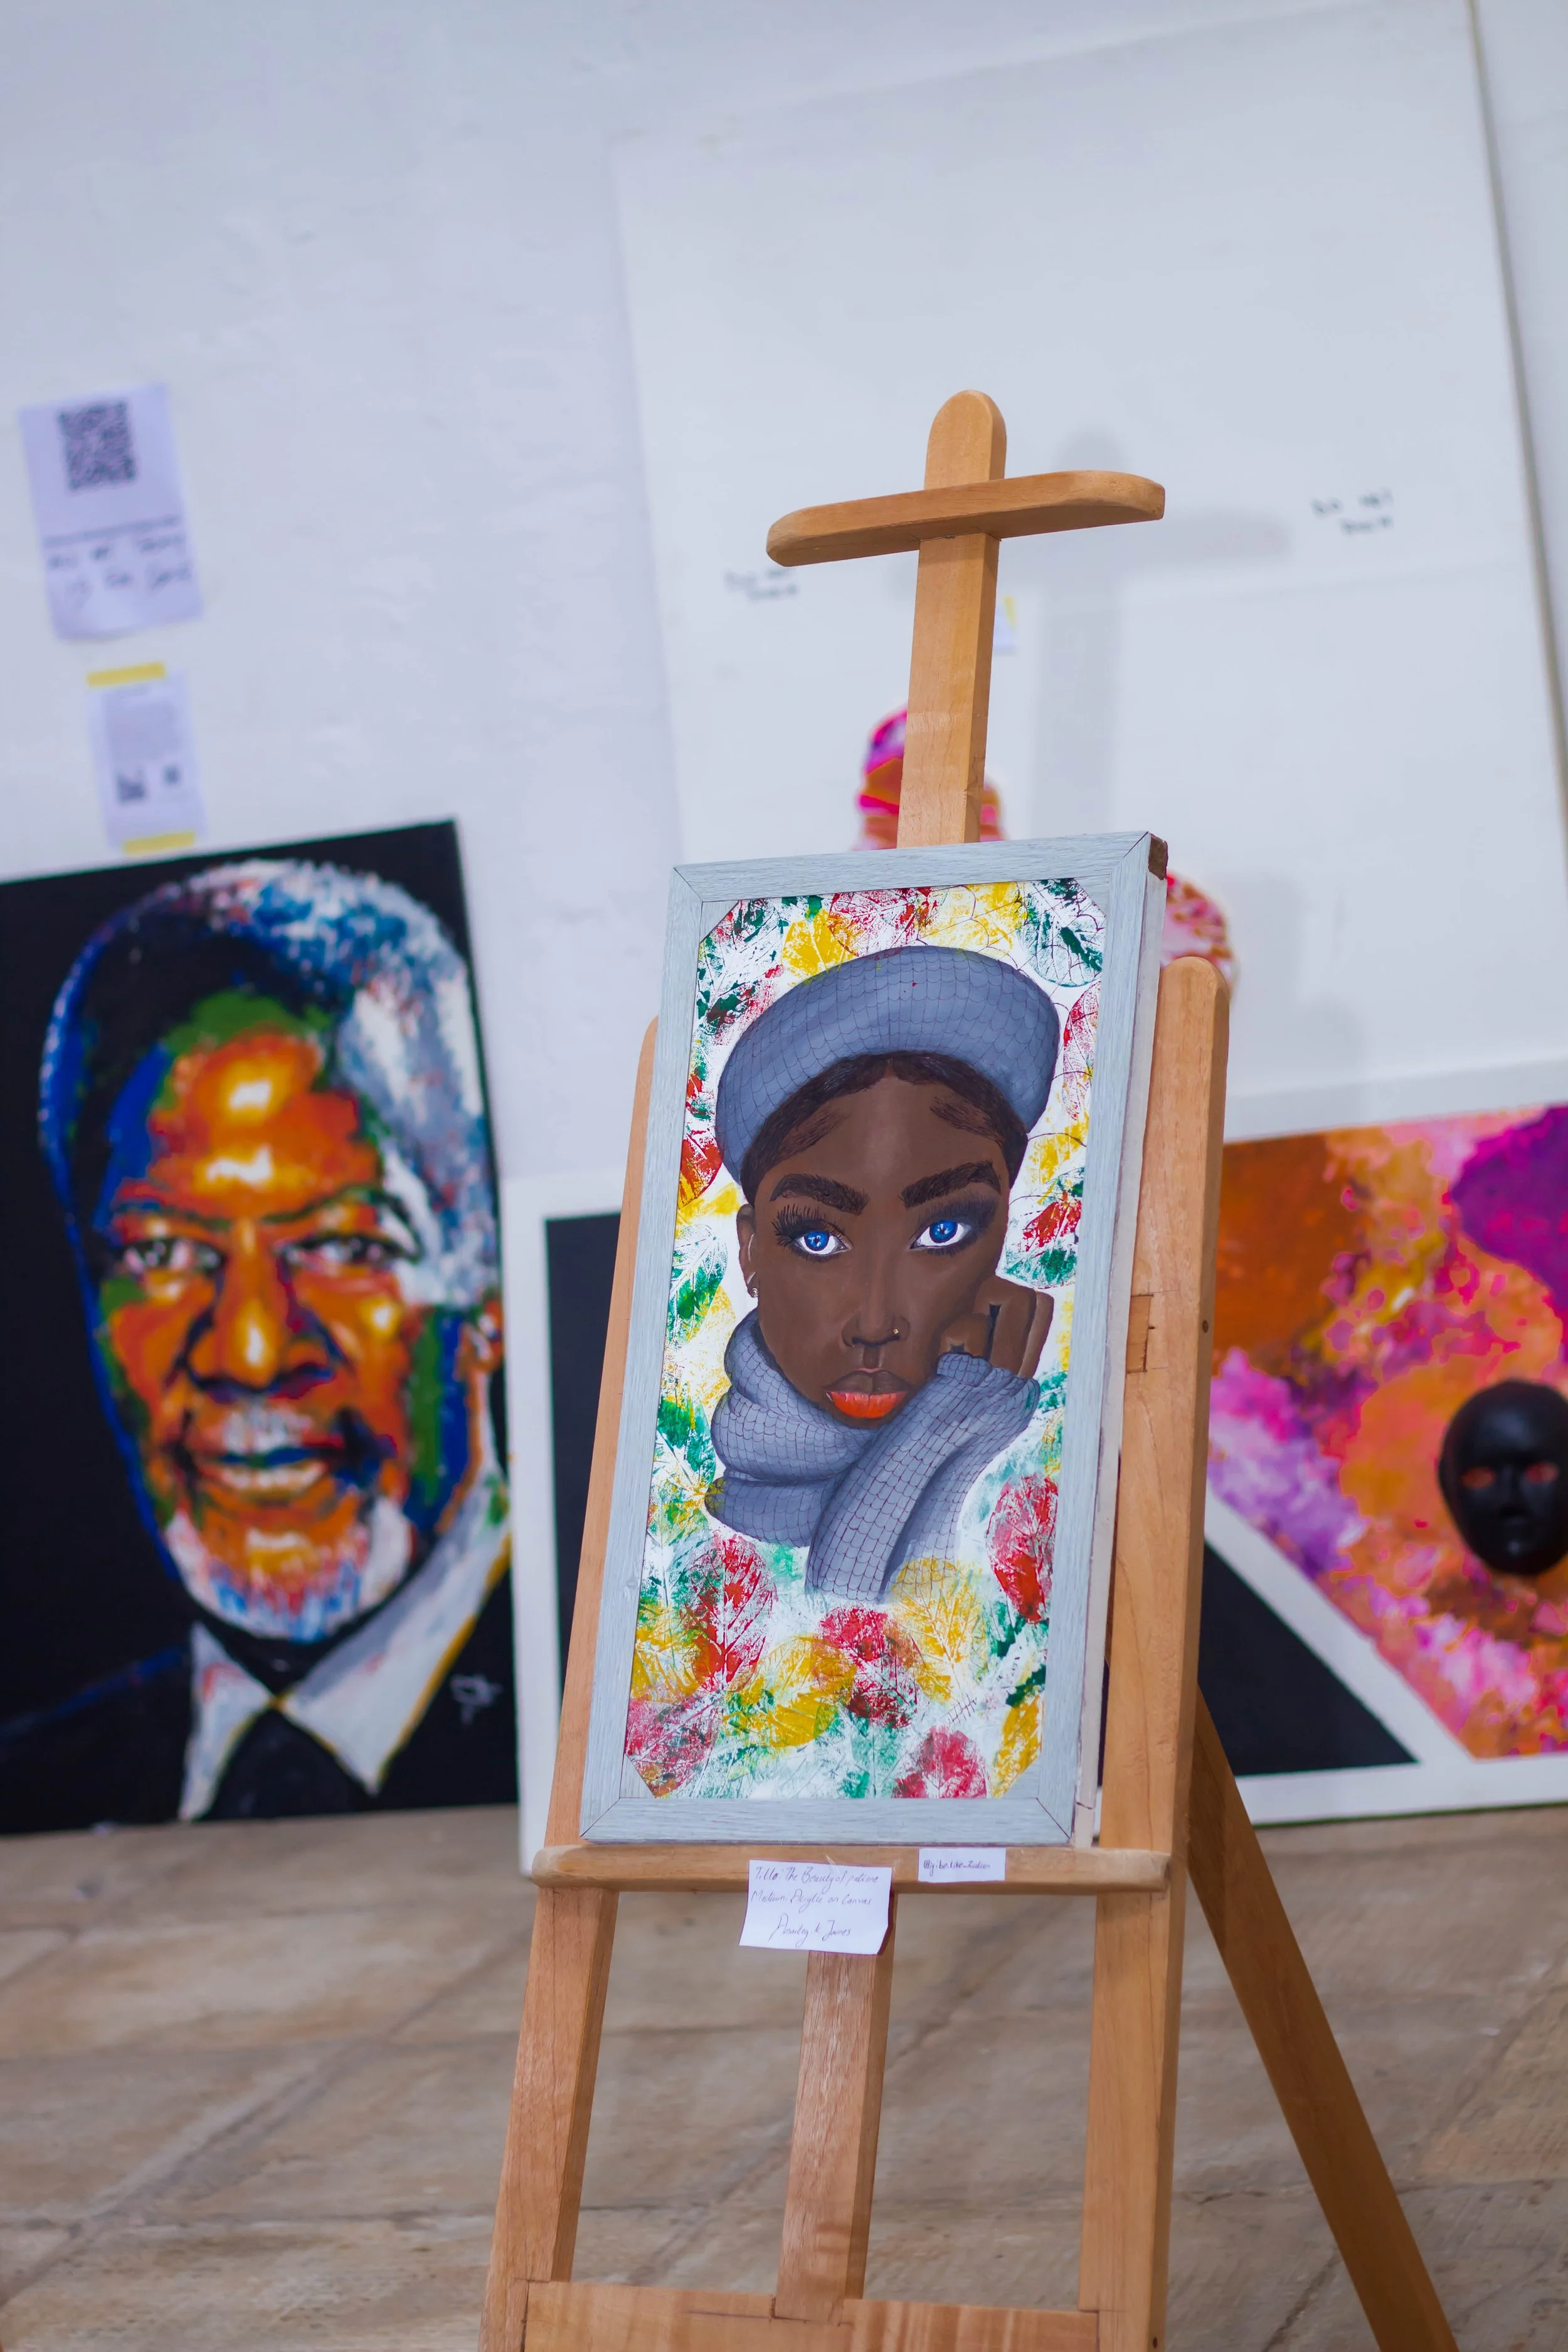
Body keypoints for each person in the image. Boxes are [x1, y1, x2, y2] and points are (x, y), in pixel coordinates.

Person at [0, 858, 512, 1827]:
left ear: (484, 1280)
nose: (252, 1348)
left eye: (341, 1245)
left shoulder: (658, 1716)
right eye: (162, 1251)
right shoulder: (41, 1786)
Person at [706, 943, 1057, 1602]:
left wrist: (951, 1425)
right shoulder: (689, 1558)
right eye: (815, 1239)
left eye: (941, 1233)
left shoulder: (1034, 1493)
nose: (874, 1324)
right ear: (751, 1252)